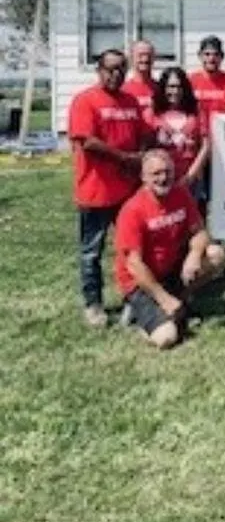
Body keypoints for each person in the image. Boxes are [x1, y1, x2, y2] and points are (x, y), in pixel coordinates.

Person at [68, 49, 148, 327]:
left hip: (127, 191)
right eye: (110, 69)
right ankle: (94, 304)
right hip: (95, 192)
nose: (115, 74)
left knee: (131, 248)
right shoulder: (85, 100)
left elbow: (143, 134)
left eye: (121, 69)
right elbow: (87, 142)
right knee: (92, 251)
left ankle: (132, 300)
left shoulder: (130, 101)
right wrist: (124, 158)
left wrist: (140, 154)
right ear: (99, 70)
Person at [115, 150, 225, 349]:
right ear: (143, 177)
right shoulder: (133, 210)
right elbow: (134, 265)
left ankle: (178, 304)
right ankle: (143, 317)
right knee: (167, 338)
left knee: (216, 255)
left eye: (168, 172)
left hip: (170, 270)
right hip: (141, 282)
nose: (163, 178)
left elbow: (200, 232)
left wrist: (194, 255)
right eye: (156, 173)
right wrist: (163, 298)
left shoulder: (180, 194)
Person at [145, 67, 209, 193]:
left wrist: (190, 176)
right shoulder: (152, 112)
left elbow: (206, 145)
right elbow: (145, 147)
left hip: (191, 179)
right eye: (171, 86)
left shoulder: (196, 111)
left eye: (179, 87)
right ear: (163, 88)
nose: (175, 91)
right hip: (160, 180)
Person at [189, 35, 225, 130]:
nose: (211, 59)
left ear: (222, 57)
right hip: (196, 135)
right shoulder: (191, 81)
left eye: (216, 54)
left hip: (222, 134)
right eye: (207, 54)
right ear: (200, 56)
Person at [122, 40, 158, 114]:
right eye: (140, 55)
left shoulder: (160, 88)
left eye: (149, 55)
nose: (145, 59)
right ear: (131, 58)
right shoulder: (123, 90)